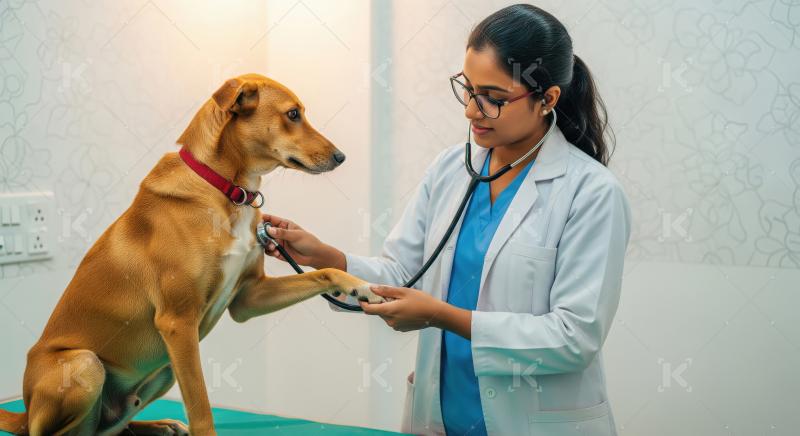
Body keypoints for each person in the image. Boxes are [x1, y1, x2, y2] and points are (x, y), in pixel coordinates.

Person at [261, 4, 631, 435]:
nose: (472, 111)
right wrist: (326, 257)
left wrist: (442, 316)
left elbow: (573, 338)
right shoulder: (452, 169)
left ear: (547, 99)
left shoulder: (591, 193)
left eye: (493, 98)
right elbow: (403, 273)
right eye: (468, 89)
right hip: (438, 419)